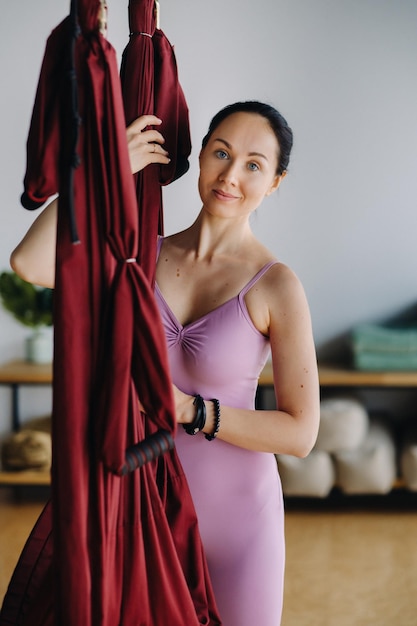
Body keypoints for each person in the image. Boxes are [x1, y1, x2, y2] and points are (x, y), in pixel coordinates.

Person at [11, 101, 320, 625]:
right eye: (220, 153)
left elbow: (300, 432)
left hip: (240, 529)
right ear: (199, 157)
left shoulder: (276, 285)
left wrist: (186, 409)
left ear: (275, 182)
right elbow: (31, 263)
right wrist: (100, 169)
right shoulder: (137, 255)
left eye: (253, 164)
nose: (230, 175)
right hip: (137, 514)